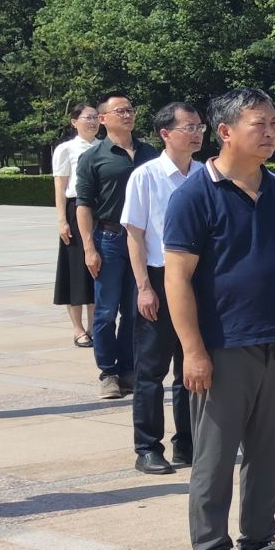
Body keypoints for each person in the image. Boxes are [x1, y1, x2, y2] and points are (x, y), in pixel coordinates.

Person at [164, 88, 275, 550]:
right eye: (260, 123)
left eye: (274, 122)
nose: (271, 131)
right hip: (223, 346)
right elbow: (177, 278)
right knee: (214, 458)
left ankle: (258, 545)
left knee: (269, 452)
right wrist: (193, 351)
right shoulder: (194, 195)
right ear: (226, 131)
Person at [121, 102, 203, 475]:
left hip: (197, 279)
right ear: (165, 133)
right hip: (158, 277)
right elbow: (135, 235)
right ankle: (147, 448)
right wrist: (143, 288)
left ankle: (188, 442)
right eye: (189, 127)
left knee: (192, 365)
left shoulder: (205, 174)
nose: (197, 133)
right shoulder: (146, 176)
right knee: (151, 371)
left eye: (199, 127)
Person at [75, 92, 156, 400]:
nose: (127, 115)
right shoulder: (93, 157)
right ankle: (108, 372)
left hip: (142, 240)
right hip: (109, 239)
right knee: (106, 311)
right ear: (103, 119)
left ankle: (129, 369)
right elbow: (84, 205)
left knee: (136, 309)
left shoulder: (149, 153)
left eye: (130, 110)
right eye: (120, 111)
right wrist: (89, 247)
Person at [52, 103, 100, 352]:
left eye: (95, 117)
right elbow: (60, 186)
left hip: (101, 211)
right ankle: (78, 328)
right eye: (87, 117)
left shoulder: (105, 147)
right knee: (76, 270)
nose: (92, 122)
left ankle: (94, 326)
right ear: (74, 122)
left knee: (97, 269)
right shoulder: (66, 149)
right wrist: (61, 219)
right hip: (75, 210)